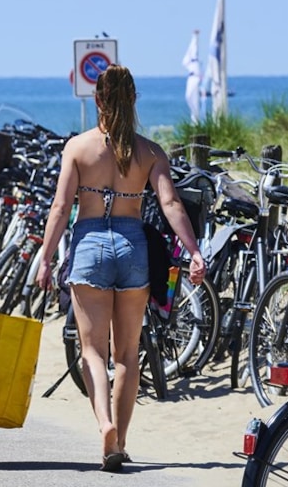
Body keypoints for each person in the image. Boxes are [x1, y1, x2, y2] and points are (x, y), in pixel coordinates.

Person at [35, 65, 205, 472]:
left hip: (90, 244)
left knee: (92, 350)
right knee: (128, 353)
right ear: (134, 100)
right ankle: (122, 441)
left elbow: (61, 207)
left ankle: (104, 423)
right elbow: (171, 205)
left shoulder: (78, 148)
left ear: (97, 101)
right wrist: (194, 250)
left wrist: (45, 255)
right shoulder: (150, 152)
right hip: (133, 246)